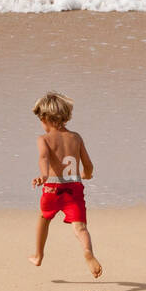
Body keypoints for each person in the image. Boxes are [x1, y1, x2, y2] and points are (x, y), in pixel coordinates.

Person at [29, 91, 102, 279]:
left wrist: (43, 176)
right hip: (74, 188)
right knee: (80, 228)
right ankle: (88, 252)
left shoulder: (44, 139)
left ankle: (38, 255)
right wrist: (87, 174)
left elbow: (44, 157)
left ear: (45, 118)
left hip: (52, 188)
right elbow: (88, 165)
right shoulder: (76, 138)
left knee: (43, 219)